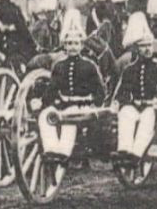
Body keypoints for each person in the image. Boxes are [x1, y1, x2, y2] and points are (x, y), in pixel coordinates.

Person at [39, 10, 108, 163]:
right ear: (64, 46)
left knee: (69, 118)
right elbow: (51, 89)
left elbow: (100, 91)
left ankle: (63, 153)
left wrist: (93, 107)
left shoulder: (89, 65)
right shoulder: (59, 66)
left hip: (82, 106)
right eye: (69, 44)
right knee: (45, 115)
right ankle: (51, 149)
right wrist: (44, 105)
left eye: (76, 43)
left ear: (81, 45)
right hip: (64, 105)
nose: (72, 47)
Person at [113, 11, 157, 173]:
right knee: (125, 114)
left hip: (153, 107)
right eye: (144, 46)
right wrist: (120, 102)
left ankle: (136, 155)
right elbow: (124, 89)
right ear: (137, 49)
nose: (147, 50)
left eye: (149, 46)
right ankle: (124, 151)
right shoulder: (130, 69)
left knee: (147, 119)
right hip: (135, 104)